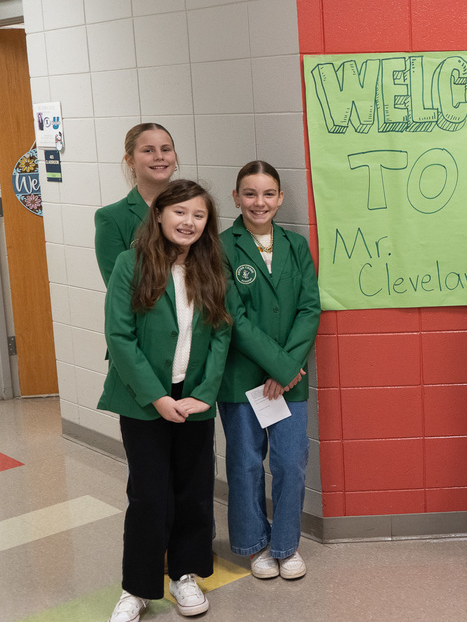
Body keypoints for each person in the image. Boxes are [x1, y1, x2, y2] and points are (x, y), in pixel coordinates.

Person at [101, 181, 232, 622]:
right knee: (149, 496)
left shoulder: (213, 266)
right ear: (159, 215)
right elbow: (119, 336)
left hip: (193, 399)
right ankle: (136, 589)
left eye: (198, 215)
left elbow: (221, 333)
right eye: (180, 213)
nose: (188, 222)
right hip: (144, 400)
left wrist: (205, 393)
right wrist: (156, 397)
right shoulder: (130, 263)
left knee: (194, 492)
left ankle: (184, 575)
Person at [219, 161, 321, 580]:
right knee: (244, 464)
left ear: (279, 199)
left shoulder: (296, 246)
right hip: (242, 378)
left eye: (267, 194)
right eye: (249, 193)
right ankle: (254, 545)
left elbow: (309, 308)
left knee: (290, 462)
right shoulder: (221, 247)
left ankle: (285, 545)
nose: (258, 202)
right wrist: (278, 365)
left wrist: (287, 369)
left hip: (290, 381)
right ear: (236, 197)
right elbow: (233, 317)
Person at [95, 123, 178, 285]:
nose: (159, 156)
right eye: (148, 150)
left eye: (166, 149)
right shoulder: (112, 217)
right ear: (130, 160)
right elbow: (118, 289)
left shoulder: (195, 208)